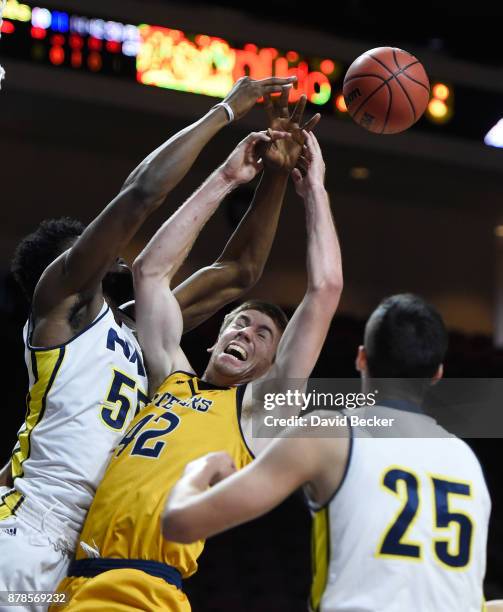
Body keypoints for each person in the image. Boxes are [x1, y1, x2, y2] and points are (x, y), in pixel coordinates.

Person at [0, 75, 297, 601]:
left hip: (79, 565)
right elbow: (139, 195)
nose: (110, 250)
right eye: (92, 245)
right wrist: (225, 112)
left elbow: (238, 273)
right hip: (25, 532)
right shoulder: (59, 313)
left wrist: (275, 176)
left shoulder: (137, 329)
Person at [53, 127, 342, 610]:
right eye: (238, 323)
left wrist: (315, 190)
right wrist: (227, 177)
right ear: (215, 339)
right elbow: (149, 272)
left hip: (141, 587)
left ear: (269, 366)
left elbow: (325, 290)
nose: (244, 334)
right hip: (71, 581)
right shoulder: (171, 375)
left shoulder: (257, 414)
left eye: (261, 335)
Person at [165, 294, 491, 612]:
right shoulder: (468, 462)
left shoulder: (329, 432)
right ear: (437, 375)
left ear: (362, 358)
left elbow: (180, 522)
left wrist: (204, 467)